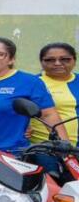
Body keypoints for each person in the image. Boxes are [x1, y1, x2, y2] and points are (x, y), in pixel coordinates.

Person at [29, 43, 79, 174]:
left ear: (74, 60)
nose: (57, 63)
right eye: (50, 60)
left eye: (65, 59)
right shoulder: (31, 83)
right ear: (41, 62)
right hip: (45, 149)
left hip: (76, 148)